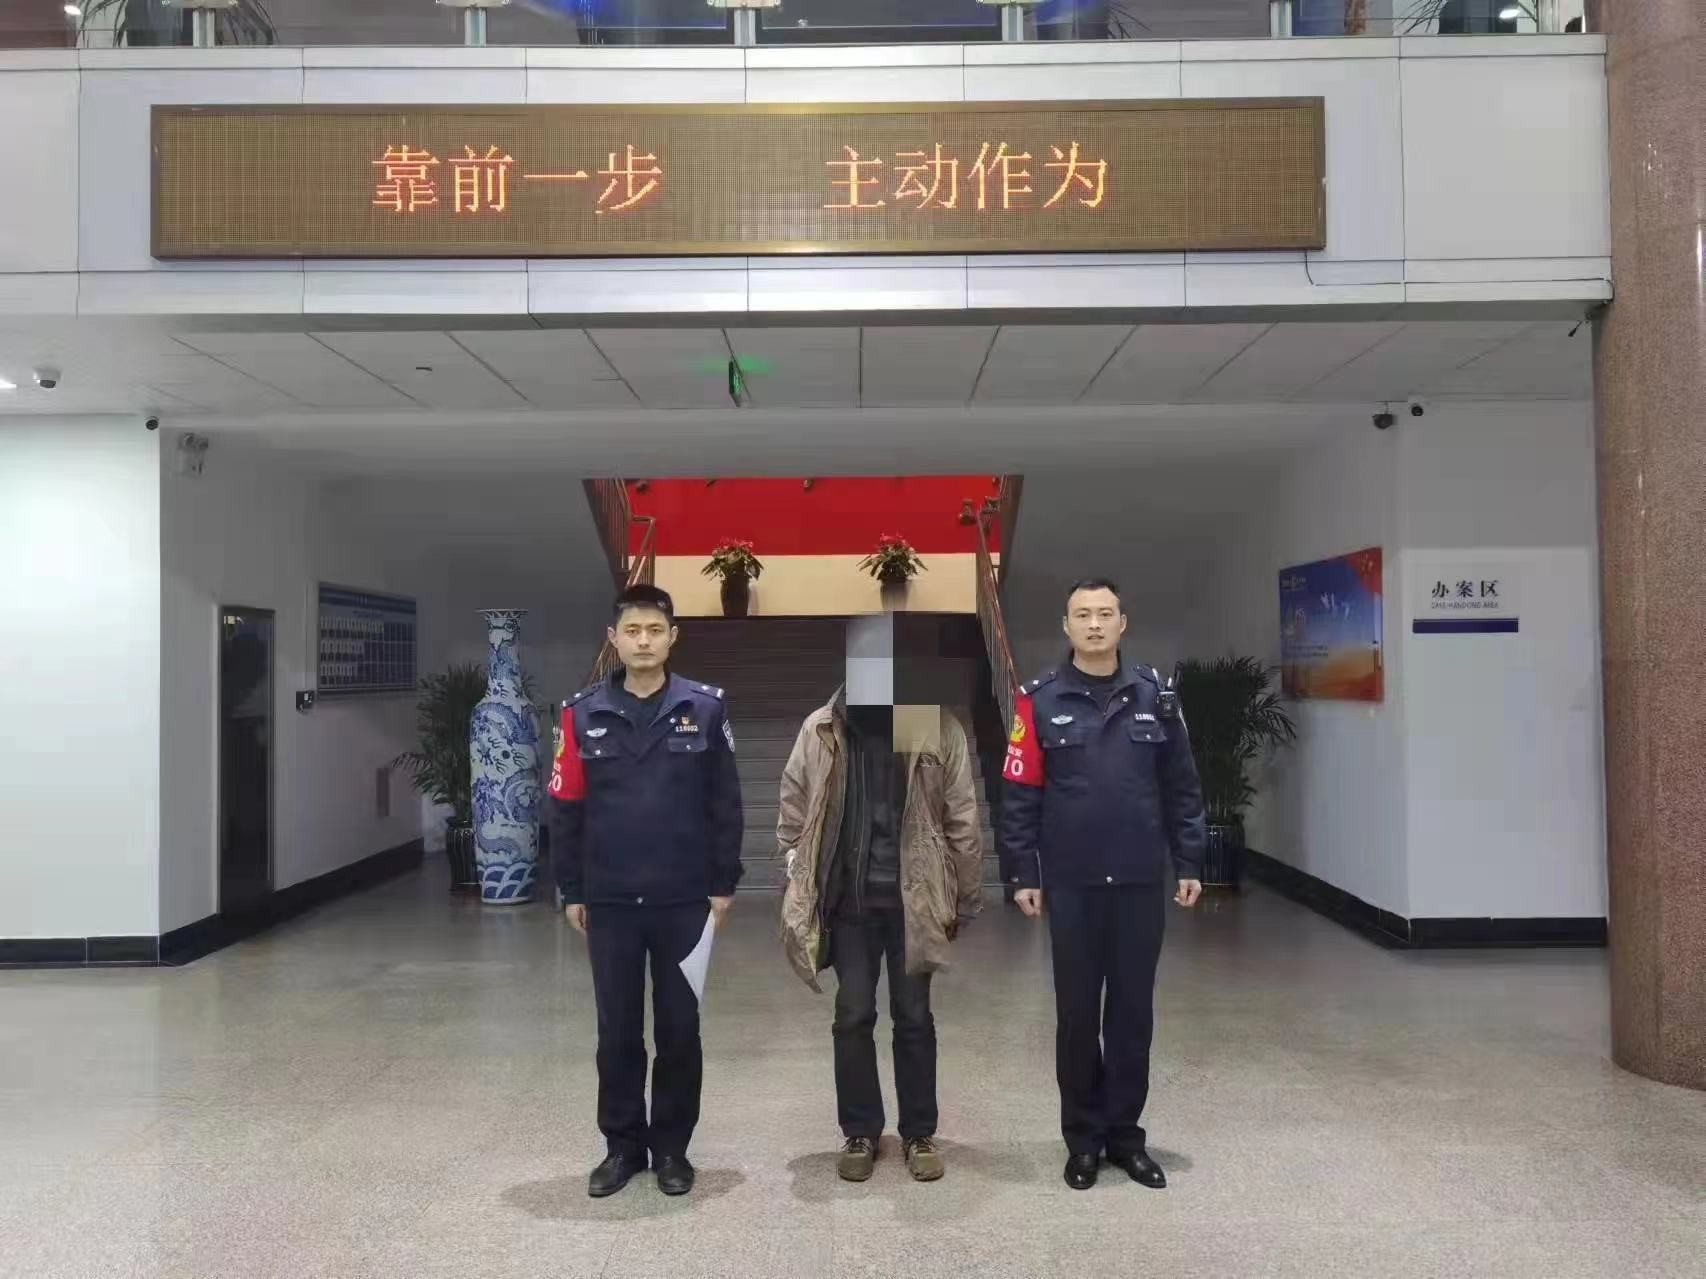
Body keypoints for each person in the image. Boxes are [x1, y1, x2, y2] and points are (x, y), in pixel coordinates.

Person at [998, 578, 1206, 1192]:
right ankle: (1083, 1141)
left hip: (1139, 881)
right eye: (1083, 614)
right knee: (1076, 1017)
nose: (1094, 624)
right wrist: (1022, 871)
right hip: (1073, 885)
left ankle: (1125, 1138)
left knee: (1133, 1017)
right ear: (1066, 626)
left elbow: (1183, 787)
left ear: (1122, 623)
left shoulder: (1156, 696)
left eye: (1105, 613)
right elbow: (1020, 792)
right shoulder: (1038, 701)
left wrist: (1189, 861)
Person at [546, 584, 744, 1199]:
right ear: (613, 639)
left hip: (684, 900)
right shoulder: (580, 714)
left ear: (672, 637)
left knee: (680, 1030)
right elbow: (566, 805)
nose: (643, 641)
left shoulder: (704, 708)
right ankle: (622, 1147)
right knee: (618, 1033)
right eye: (632, 631)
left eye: (655, 631)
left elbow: (725, 803)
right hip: (609, 902)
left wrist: (722, 884)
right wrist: (571, 888)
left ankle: (673, 1150)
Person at [776, 646, 984, 1184]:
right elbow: (794, 803)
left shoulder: (932, 727)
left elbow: (961, 816)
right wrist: (797, 867)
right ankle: (860, 1130)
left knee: (914, 1016)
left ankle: (919, 1132)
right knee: (852, 1014)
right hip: (849, 903)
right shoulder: (824, 728)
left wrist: (964, 896)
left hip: (915, 902)